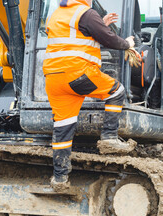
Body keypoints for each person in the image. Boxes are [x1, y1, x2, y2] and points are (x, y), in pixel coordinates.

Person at [43, 0, 139, 190]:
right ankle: (109, 138)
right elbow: (109, 40)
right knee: (116, 91)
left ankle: (60, 178)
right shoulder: (85, 12)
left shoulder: (56, 15)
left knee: (63, 128)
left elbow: (73, 37)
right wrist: (127, 43)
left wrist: (99, 23)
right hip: (78, 74)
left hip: (53, 79)